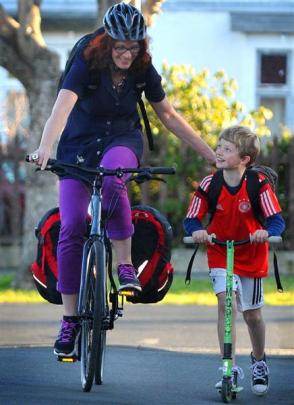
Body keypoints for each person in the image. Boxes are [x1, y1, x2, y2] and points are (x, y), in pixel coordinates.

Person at [28, 2, 215, 358]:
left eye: (134, 46)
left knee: (115, 180)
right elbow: (62, 107)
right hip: (78, 145)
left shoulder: (143, 66)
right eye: (120, 47)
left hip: (121, 141)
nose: (127, 54)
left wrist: (209, 154)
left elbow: (169, 115)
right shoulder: (86, 58)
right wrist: (45, 148)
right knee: (70, 227)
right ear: (107, 42)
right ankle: (69, 321)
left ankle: (125, 265)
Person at [183, 125, 285, 396]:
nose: (218, 151)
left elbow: (276, 220)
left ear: (244, 160)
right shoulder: (210, 183)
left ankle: (259, 361)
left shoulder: (258, 184)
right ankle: (229, 366)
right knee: (225, 302)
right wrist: (197, 231)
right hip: (220, 250)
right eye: (218, 146)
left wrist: (266, 233)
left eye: (227, 149)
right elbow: (191, 218)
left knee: (252, 315)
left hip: (250, 252)